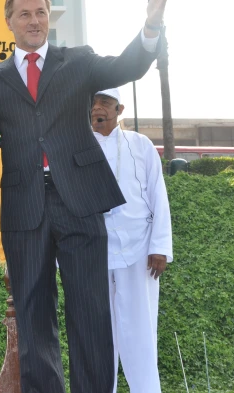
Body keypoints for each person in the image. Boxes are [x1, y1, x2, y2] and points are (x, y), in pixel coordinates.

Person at [0, 0, 173, 393]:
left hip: (79, 201)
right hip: (24, 208)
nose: (34, 20)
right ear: (9, 22)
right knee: (34, 314)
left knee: (91, 312)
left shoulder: (77, 61)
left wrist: (150, 27)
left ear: (49, 19)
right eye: (24, 13)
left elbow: (126, 67)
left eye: (41, 12)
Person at [91, 88, 173, 393]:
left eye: (105, 103)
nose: (97, 108)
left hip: (139, 251)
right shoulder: (78, 144)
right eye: (93, 102)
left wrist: (160, 247)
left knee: (140, 330)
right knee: (99, 335)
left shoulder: (140, 144)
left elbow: (157, 194)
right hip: (94, 251)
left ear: (119, 109)